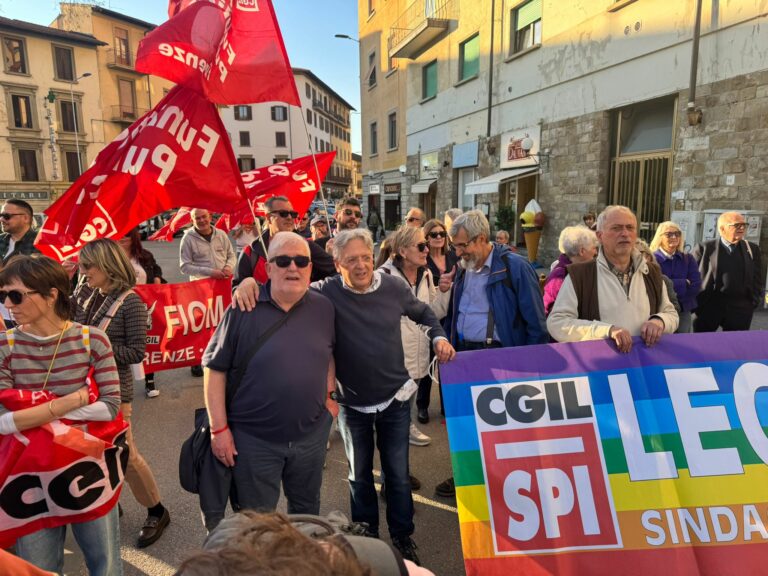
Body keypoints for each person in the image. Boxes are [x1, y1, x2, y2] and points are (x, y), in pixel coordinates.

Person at [232, 229, 456, 565]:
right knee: (359, 476)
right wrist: (247, 283)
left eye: (366, 257)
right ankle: (365, 537)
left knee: (397, 473)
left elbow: (423, 313)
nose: (362, 265)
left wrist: (438, 337)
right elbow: (285, 288)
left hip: (395, 398)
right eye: (352, 260)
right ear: (337, 264)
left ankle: (402, 536)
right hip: (352, 403)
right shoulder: (324, 294)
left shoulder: (393, 286)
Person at [202, 232, 335, 528]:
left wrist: (330, 399)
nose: (293, 267)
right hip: (254, 443)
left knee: (308, 515)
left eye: (301, 261)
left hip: (310, 438)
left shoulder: (324, 306)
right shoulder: (243, 308)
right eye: (283, 260)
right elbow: (214, 369)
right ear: (269, 268)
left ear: (310, 268)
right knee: (258, 525)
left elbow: (330, 352)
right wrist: (218, 430)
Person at [0, 255, 122, 575]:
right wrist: (74, 400)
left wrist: (30, 411)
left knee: (105, 565)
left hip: (86, 470)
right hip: (27, 477)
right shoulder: (5, 346)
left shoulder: (91, 339)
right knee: (37, 569)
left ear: (51, 294)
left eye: (16, 295)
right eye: (3, 296)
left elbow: (109, 405)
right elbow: (1, 421)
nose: (8, 304)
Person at [435, 210, 548, 499]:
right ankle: (467, 477)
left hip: (499, 356)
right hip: (463, 356)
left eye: (462, 246)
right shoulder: (463, 266)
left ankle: (505, 485)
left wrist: (530, 364)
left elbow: (535, 321)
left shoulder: (515, 267)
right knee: (466, 423)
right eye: (454, 246)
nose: (457, 252)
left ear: (481, 239)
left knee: (502, 426)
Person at [74, 239, 170, 548]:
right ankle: (109, 501)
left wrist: (96, 348)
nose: (83, 271)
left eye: (88, 266)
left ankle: (157, 510)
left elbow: (136, 351)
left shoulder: (131, 302)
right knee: (93, 451)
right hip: (83, 390)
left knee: (125, 454)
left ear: (106, 265)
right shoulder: (86, 293)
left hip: (116, 391)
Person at [547, 205, 679, 351]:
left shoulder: (651, 272)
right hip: (602, 367)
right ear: (599, 236)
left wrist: (659, 321)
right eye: (616, 228)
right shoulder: (579, 275)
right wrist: (606, 331)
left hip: (644, 365)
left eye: (630, 227)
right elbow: (557, 323)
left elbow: (671, 314)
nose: (625, 233)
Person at [380, 226, 449, 444]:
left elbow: (433, 313)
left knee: (409, 396)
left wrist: (445, 293)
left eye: (426, 245)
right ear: (402, 251)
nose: (427, 250)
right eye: (421, 245)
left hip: (420, 350)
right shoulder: (383, 276)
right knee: (394, 400)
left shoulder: (426, 274)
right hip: (394, 354)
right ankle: (399, 431)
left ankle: (405, 427)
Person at [180, 208, 237, 377]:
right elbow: (184, 266)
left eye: (204, 216)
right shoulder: (187, 238)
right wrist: (210, 272)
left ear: (210, 216)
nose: (202, 220)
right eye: (197, 218)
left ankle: (222, 357)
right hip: (201, 288)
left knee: (223, 321)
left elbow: (231, 255)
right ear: (192, 220)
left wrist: (228, 267)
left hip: (223, 285)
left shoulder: (221, 234)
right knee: (202, 326)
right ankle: (198, 361)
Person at [234, 196, 335, 286]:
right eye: (283, 214)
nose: (290, 218)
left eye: (293, 214)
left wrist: (316, 290)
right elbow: (236, 288)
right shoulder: (251, 253)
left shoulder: (307, 246)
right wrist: (244, 288)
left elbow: (336, 270)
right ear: (269, 218)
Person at [692, 211, 762, 332]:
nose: (742, 228)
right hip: (709, 306)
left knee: (736, 347)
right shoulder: (705, 248)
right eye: (736, 225)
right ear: (722, 228)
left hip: (740, 308)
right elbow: (691, 276)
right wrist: (697, 303)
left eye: (744, 225)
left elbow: (757, 277)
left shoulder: (752, 249)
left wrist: (753, 300)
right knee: (703, 346)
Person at [117, 228, 164, 397]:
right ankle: (119, 384)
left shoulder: (144, 255)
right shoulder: (110, 257)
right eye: (120, 234)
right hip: (118, 307)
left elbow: (155, 269)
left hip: (143, 308)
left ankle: (149, 381)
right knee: (120, 345)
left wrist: (157, 279)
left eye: (127, 234)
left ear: (134, 237)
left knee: (145, 343)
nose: (123, 237)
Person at [650, 221, 702, 333]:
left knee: (683, 345)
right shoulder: (652, 259)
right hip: (659, 310)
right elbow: (654, 285)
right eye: (669, 234)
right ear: (660, 237)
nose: (674, 237)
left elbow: (696, 285)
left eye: (677, 234)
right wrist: (683, 283)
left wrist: (671, 286)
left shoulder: (688, 259)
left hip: (683, 309)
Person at [543, 226, 598, 315]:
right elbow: (551, 313)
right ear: (582, 251)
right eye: (594, 248)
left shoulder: (581, 270)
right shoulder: (560, 275)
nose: (596, 252)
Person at [0, 199, 40, 264]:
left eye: (6, 216)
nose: (1, 219)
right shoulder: (1, 240)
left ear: (26, 218)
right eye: (1, 216)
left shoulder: (40, 243)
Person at [424, 219, 458, 284]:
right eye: (434, 234)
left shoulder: (455, 256)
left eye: (442, 234)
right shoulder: (422, 260)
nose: (439, 237)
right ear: (426, 237)